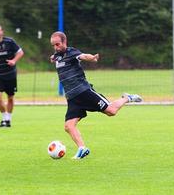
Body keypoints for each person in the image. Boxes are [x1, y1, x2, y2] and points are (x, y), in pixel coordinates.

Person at [50, 31, 142, 159]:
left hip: (84, 92)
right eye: (53, 45)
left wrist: (91, 58)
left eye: (58, 44)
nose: (56, 47)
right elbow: (56, 57)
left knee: (111, 111)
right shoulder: (57, 56)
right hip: (72, 98)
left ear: (65, 42)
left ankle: (127, 98)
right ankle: (82, 149)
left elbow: (83, 56)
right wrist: (54, 56)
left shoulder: (71, 52)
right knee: (68, 126)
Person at [0, 24, 24, 128]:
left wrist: (14, 61)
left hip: (11, 75)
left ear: (2, 32)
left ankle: (8, 120)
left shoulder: (9, 42)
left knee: (10, 98)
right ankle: (4, 117)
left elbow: (20, 52)